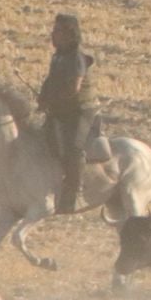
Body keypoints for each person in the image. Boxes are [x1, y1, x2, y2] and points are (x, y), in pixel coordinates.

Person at [37, 13, 96, 215]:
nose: (53, 35)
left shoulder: (76, 58)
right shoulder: (58, 57)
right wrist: (42, 98)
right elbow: (51, 81)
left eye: (58, 31)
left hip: (80, 111)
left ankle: (75, 196)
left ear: (70, 35)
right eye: (54, 30)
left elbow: (73, 89)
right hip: (61, 110)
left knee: (74, 149)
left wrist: (52, 101)